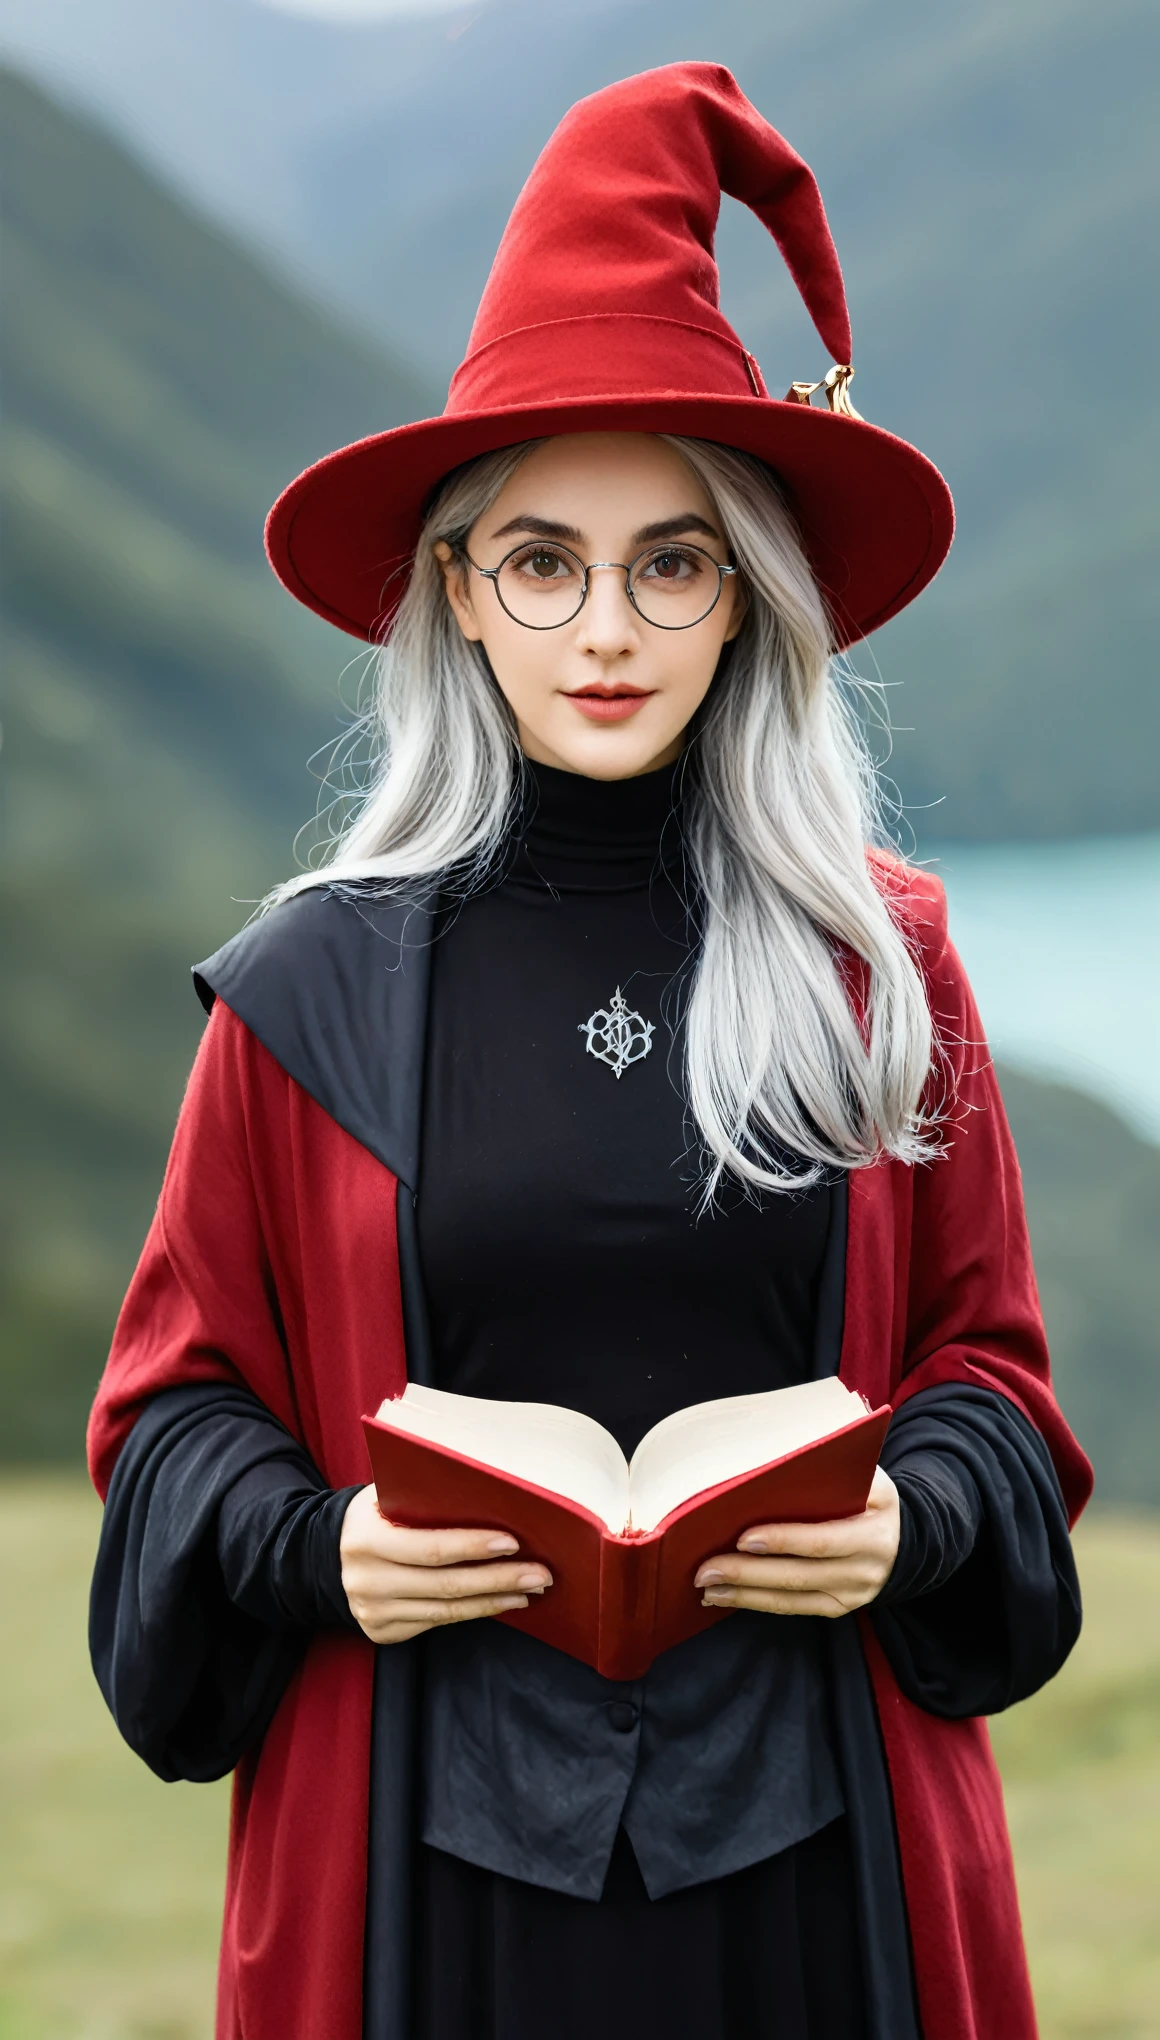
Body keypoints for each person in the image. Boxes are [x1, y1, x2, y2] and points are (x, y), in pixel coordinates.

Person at [87, 61, 1091, 2040]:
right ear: (457, 592)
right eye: (542, 560)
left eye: (671, 560)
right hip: (428, 1886)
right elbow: (172, 1414)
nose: (603, 627)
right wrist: (317, 1547)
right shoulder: (313, 992)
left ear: (747, 602)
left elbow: (988, 1366)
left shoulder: (877, 964)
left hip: (817, 1870)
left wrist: (914, 1516)